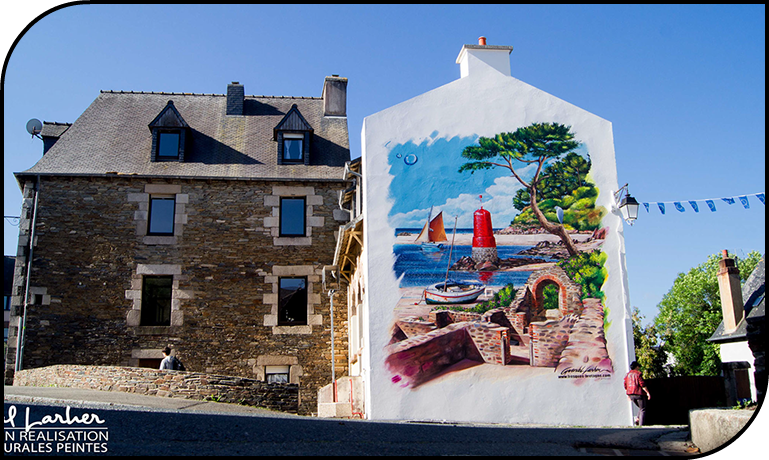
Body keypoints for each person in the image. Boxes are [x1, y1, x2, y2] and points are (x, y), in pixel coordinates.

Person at [624, 361, 651, 425]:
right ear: (636, 367)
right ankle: (641, 424)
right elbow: (642, 384)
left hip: (631, 394)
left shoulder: (628, 375)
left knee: (641, 407)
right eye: (638, 366)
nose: (639, 368)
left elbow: (625, 385)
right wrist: (647, 393)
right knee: (643, 409)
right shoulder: (638, 374)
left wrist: (628, 395)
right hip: (638, 393)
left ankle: (637, 418)